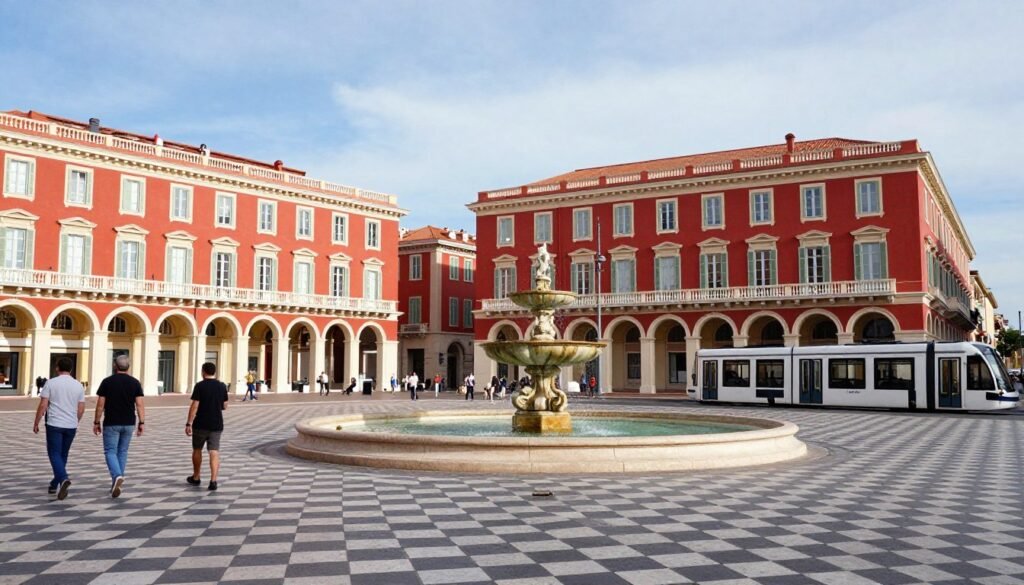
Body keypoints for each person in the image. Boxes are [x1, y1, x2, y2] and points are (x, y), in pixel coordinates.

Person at [93, 354, 145, 498]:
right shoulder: (135, 383)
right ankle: (117, 480)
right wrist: (142, 422)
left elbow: (100, 405)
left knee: (110, 451)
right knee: (122, 452)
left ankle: (117, 476)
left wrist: (96, 422)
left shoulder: (107, 382)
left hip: (112, 422)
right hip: (129, 422)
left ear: (115, 366)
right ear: (128, 366)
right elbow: (139, 404)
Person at [33, 358, 84, 500]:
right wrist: (76, 420)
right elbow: (81, 408)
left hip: (54, 424)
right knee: (63, 454)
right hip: (71, 424)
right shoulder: (78, 385)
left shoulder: (51, 383)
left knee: (54, 453)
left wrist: (36, 422)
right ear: (71, 369)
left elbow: (43, 405)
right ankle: (54, 484)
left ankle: (63, 478)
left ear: (57, 368)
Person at [185, 362, 228, 491]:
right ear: (214, 372)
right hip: (216, 423)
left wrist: (189, 423)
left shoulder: (200, 386)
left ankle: (196, 477)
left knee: (197, 449)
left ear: (203, 372)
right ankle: (213, 480)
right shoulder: (222, 386)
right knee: (214, 451)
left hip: (201, 423)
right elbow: (225, 405)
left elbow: (195, 405)